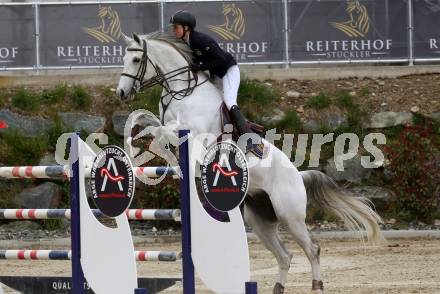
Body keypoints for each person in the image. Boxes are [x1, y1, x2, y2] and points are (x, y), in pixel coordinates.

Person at [170, 10, 264, 157]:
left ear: (186, 28)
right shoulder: (185, 42)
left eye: (176, 27)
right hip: (216, 75)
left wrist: (200, 66)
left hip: (228, 72)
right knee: (211, 101)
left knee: (229, 101)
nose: (174, 30)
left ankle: (250, 138)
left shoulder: (201, 40)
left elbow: (220, 59)